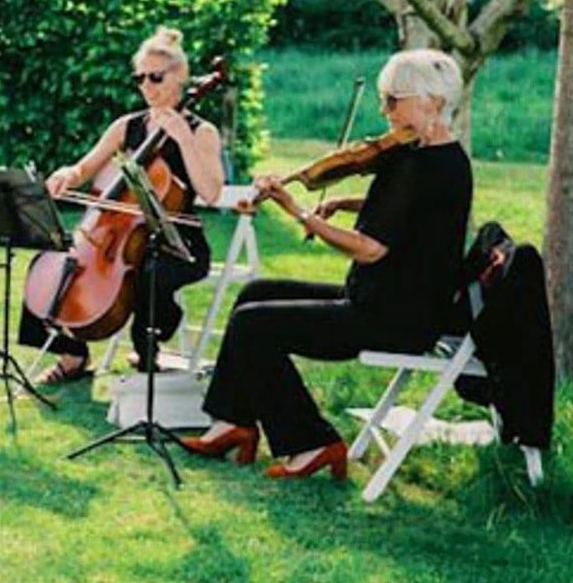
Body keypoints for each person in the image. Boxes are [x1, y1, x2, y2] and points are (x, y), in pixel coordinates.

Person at [185, 49, 474, 480]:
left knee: (254, 325)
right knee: (256, 293)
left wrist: (299, 211)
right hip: (387, 299)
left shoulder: (422, 165)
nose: (384, 109)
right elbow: (412, 215)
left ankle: (312, 442)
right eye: (383, 98)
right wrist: (348, 200)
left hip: (393, 317)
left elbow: (370, 248)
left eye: (393, 99)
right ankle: (234, 422)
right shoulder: (434, 157)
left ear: (430, 101)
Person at [21, 26, 222, 382]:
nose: (146, 86)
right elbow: (86, 166)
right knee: (51, 260)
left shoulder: (202, 131)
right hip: (119, 234)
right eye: (139, 78)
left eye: (155, 77)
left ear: (180, 78)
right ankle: (71, 355)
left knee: (151, 271)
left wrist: (183, 140)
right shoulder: (127, 126)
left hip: (179, 243)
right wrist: (68, 174)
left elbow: (211, 193)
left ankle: (148, 348)